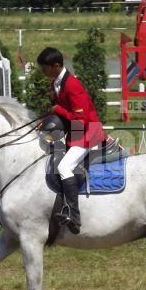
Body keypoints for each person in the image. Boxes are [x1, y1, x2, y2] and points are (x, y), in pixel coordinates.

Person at [37, 47, 104, 234]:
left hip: (88, 132)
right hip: (75, 132)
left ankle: (74, 215)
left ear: (56, 66)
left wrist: (58, 110)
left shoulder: (72, 85)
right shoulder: (56, 83)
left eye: (45, 68)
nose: (43, 72)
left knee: (64, 167)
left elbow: (81, 120)